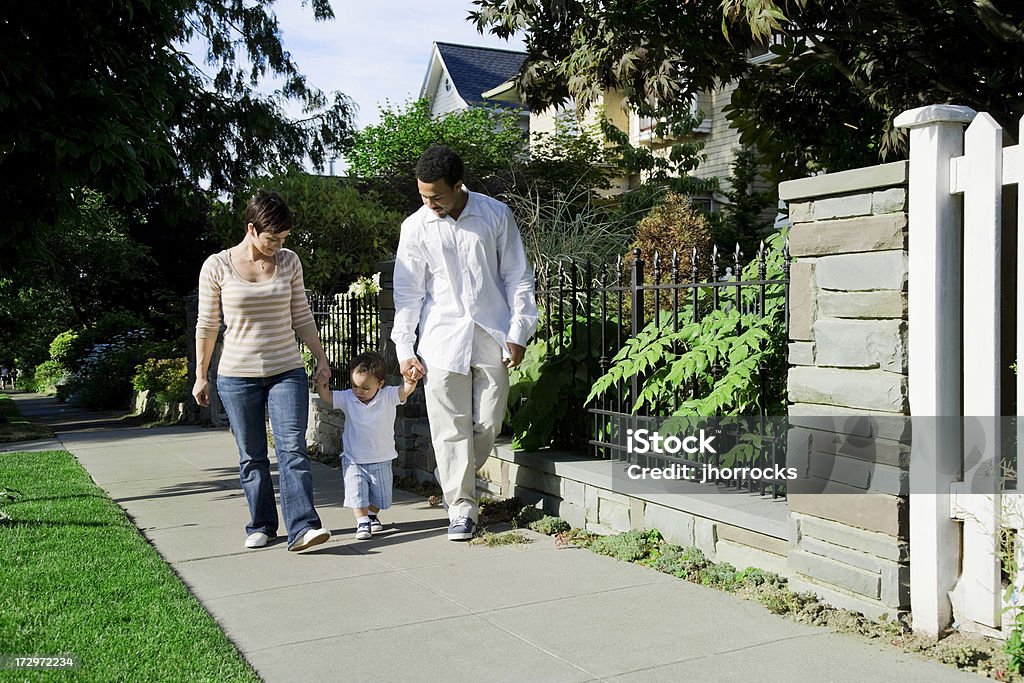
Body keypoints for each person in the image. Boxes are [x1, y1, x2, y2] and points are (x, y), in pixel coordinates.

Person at [392, 145, 539, 541]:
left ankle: (451, 472)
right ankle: (461, 508)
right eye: (423, 196)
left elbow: (517, 277)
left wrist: (519, 331)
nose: (429, 203)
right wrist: (405, 348)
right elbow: (408, 294)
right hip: (440, 340)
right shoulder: (416, 227)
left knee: (488, 421)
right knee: (448, 428)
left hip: (491, 333)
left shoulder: (495, 215)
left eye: (436, 196)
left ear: (459, 185)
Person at [193, 189, 333, 552]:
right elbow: (208, 325)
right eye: (273, 238)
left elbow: (301, 314)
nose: (278, 245)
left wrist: (320, 357)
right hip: (237, 376)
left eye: (284, 238)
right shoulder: (218, 266)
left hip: (286, 369)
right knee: (252, 455)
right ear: (252, 229)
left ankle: (303, 526)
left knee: (293, 449)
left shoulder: (288, 262)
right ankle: (262, 524)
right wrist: (200, 374)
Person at [313, 351, 418, 540]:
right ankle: (362, 522)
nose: (359, 391)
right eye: (354, 386)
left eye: (364, 388)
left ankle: (371, 515)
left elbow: (404, 391)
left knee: (381, 497)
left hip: (382, 457)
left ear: (380, 384)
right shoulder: (348, 398)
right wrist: (321, 386)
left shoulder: (387, 396)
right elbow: (328, 397)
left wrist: (410, 381)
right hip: (353, 458)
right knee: (357, 493)